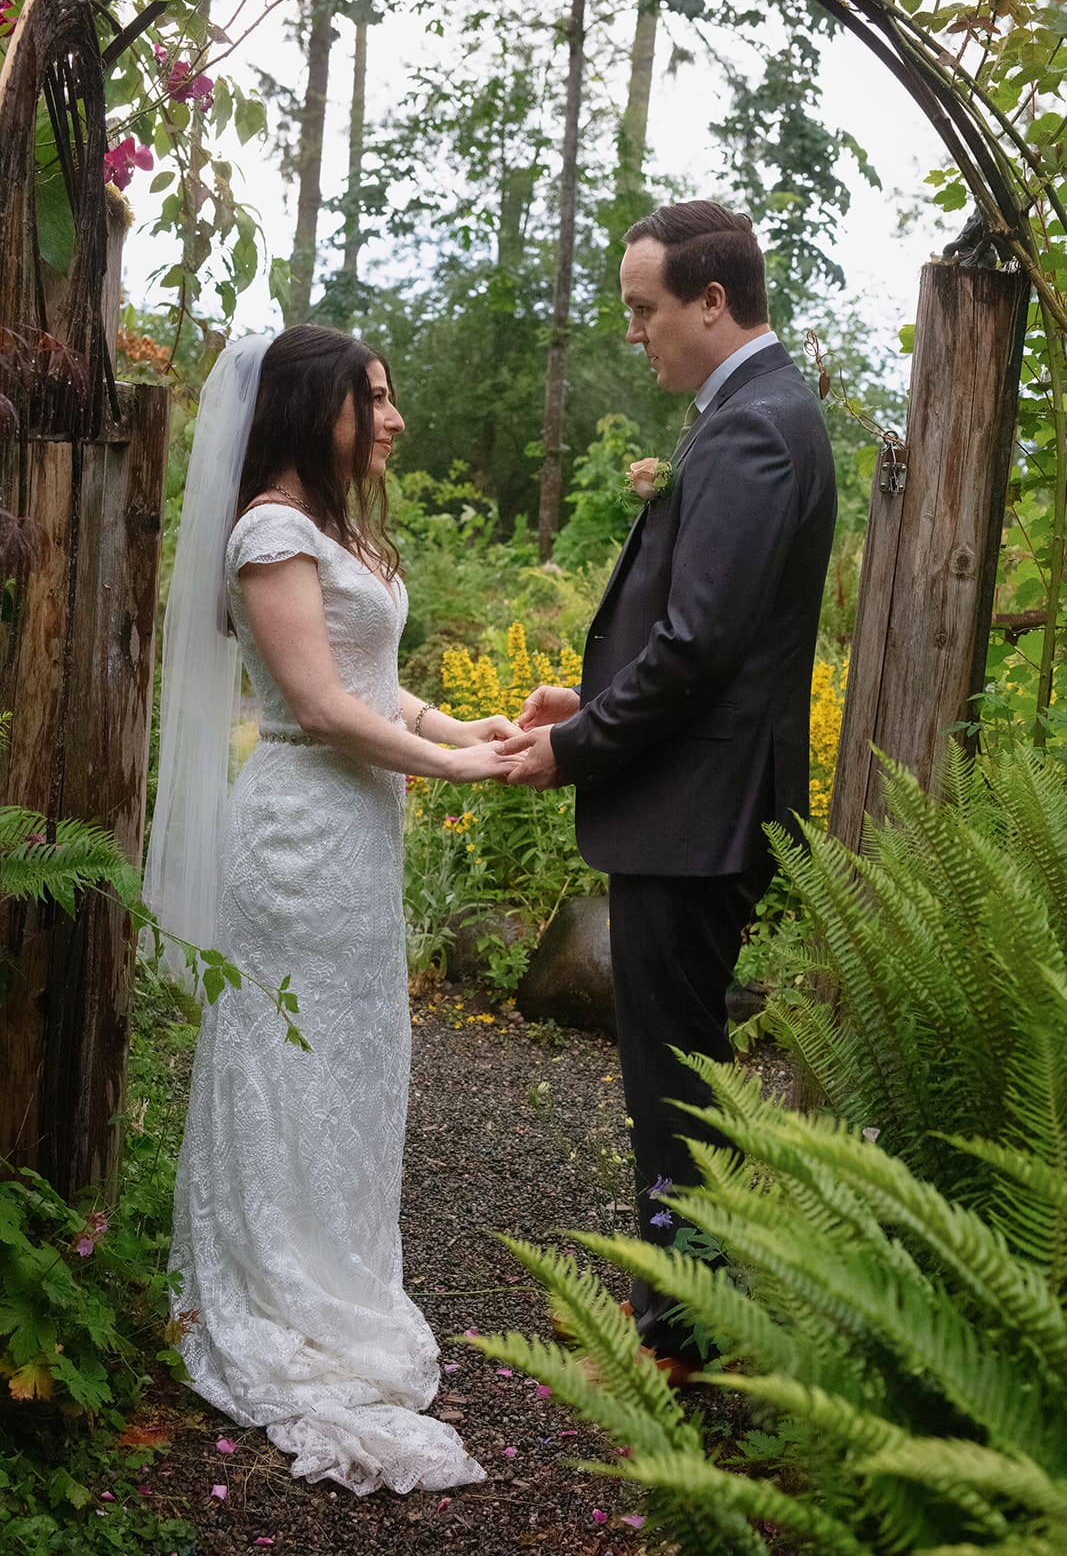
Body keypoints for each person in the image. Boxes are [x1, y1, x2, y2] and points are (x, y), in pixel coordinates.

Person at [144, 326, 516, 1493]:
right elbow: (313, 700)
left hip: (356, 834)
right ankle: (268, 1287)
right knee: (285, 1055)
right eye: (375, 398)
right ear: (317, 408)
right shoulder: (267, 529)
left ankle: (339, 1266)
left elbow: (369, 675)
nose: (395, 418)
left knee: (355, 1055)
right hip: (302, 828)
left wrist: (461, 726)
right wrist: (451, 773)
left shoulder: (336, 532)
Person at [502, 200, 837, 1378]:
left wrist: (577, 747)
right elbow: (707, 635)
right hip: (700, 807)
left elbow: (696, 646)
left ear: (711, 300)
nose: (634, 331)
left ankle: (681, 1347)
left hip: (696, 817)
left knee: (673, 1090)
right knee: (677, 1074)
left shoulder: (751, 428)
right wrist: (577, 697)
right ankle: (684, 1311)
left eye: (646, 309)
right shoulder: (754, 412)